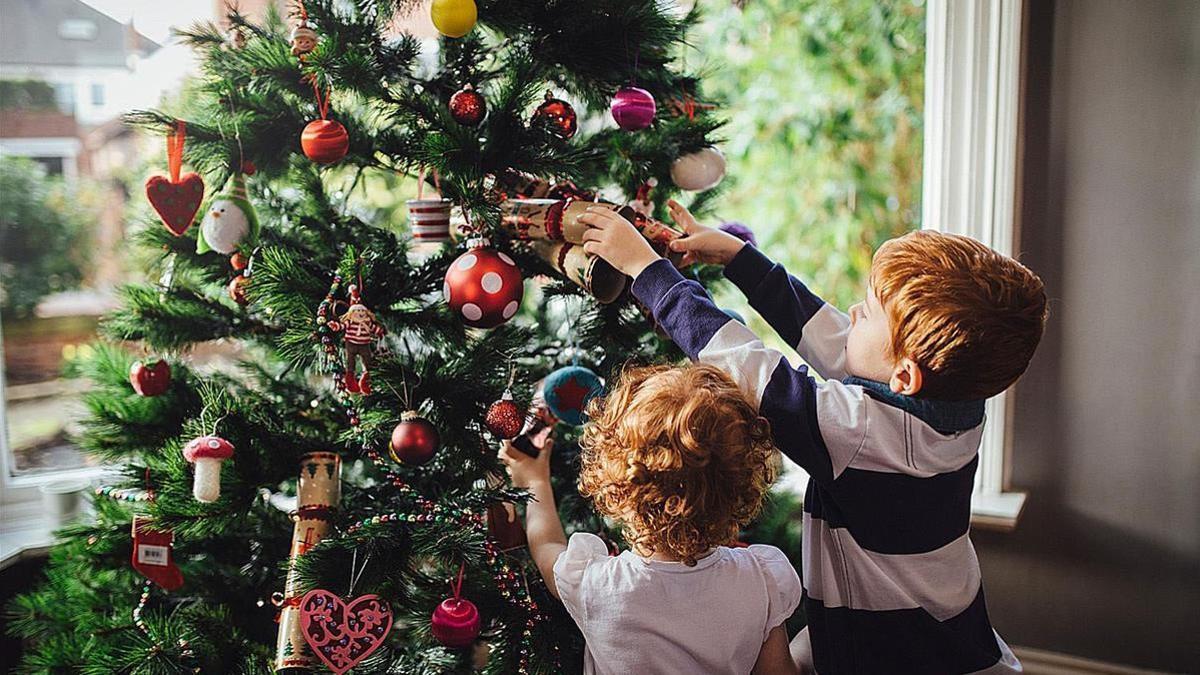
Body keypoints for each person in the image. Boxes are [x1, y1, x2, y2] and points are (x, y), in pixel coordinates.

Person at [576, 200, 1047, 674]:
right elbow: (830, 335)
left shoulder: (861, 434)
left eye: (870, 311)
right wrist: (740, 259)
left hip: (892, 647)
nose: (854, 311)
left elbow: (744, 365)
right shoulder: (954, 402)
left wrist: (645, 269)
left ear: (904, 376)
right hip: (948, 624)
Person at [499, 363, 802, 675]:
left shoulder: (599, 586)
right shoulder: (760, 580)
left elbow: (547, 545)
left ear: (617, 489)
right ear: (740, 488)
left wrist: (535, 482)